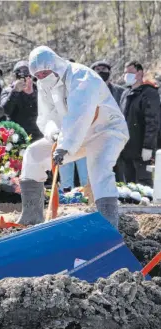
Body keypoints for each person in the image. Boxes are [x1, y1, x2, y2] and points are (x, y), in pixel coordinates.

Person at [17, 46, 129, 229]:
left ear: (56, 65)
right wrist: (53, 134)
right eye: (38, 75)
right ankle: (31, 217)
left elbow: (80, 114)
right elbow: (46, 116)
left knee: (99, 167)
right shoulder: (46, 85)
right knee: (33, 155)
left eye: (45, 72)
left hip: (105, 130)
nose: (43, 77)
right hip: (71, 135)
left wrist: (65, 145)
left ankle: (108, 224)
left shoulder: (82, 77)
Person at [119, 60, 160, 186]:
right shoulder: (125, 93)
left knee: (144, 183)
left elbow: (152, 122)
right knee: (129, 185)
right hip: (126, 147)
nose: (127, 75)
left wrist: (148, 147)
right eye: (126, 73)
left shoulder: (149, 93)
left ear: (140, 73)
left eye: (131, 72)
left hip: (142, 148)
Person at [1, 61, 43, 142]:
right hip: (15, 136)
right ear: (15, 77)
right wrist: (15, 91)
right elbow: (6, 111)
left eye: (27, 74)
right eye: (19, 75)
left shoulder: (38, 89)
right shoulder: (8, 90)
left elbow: (44, 110)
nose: (23, 79)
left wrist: (32, 94)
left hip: (36, 136)